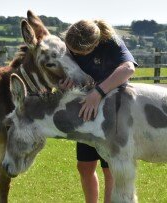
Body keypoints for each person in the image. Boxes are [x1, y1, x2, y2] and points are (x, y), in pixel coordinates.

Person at [59, 19, 138, 203]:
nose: (74, 54)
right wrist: (64, 85)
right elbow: (64, 74)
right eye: (72, 50)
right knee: (84, 167)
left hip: (114, 114)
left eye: (79, 53)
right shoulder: (70, 46)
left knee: (110, 168)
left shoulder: (111, 41)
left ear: (95, 44)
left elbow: (128, 68)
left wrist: (98, 93)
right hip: (87, 113)